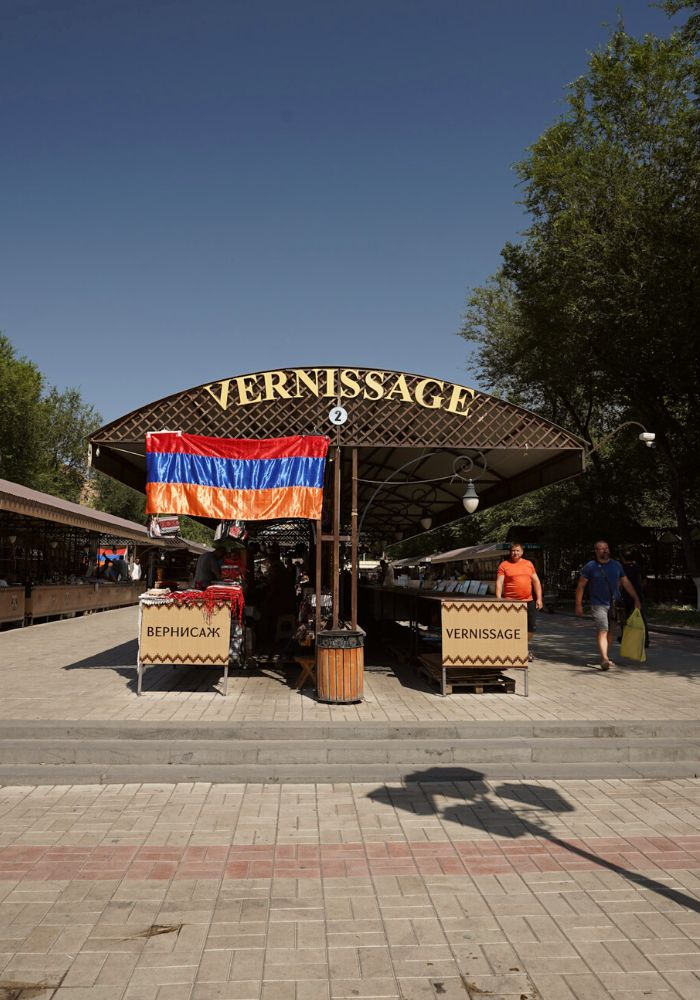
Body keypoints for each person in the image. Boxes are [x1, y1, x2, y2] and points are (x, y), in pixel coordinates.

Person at [575, 540, 641, 670]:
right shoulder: (590, 566)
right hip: (598, 604)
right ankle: (604, 658)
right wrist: (578, 604)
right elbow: (581, 586)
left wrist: (636, 598)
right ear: (596, 551)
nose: (604, 550)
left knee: (611, 631)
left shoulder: (616, 565)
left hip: (614, 603)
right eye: (601, 548)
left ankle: (606, 656)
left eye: (606, 548)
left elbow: (626, 582)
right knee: (603, 630)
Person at [495, 543, 543, 660]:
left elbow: (536, 581)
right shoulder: (504, 565)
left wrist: (539, 598)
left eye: (517, 551)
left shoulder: (528, 564)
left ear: (522, 552)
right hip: (511, 602)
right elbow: (499, 582)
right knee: (512, 628)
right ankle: (520, 651)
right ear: (510, 552)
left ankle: (521, 647)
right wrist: (498, 599)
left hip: (528, 600)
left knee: (531, 627)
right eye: (513, 551)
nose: (515, 553)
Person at [619, 549, 650, 648]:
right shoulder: (638, 567)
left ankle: (626, 637)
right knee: (641, 617)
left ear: (623, 558)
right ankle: (645, 640)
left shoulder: (621, 569)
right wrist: (639, 589)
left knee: (625, 617)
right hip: (638, 595)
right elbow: (644, 582)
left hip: (626, 595)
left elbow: (620, 583)